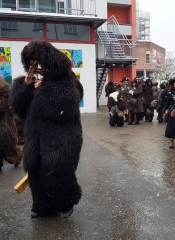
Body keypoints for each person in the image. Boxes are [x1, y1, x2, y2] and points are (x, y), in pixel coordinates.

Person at [9, 40, 84, 218]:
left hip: (62, 137)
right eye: (33, 64)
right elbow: (19, 110)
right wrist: (26, 86)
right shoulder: (31, 82)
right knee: (34, 168)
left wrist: (42, 90)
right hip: (36, 138)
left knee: (57, 167)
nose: (37, 68)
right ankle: (42, 206)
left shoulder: (68, 82)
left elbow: (64, 108)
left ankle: (65, 202)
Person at [0, 77, 22, 170]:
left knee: (8, 147)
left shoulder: (5, 93)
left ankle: (18, 158)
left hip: (5, 126)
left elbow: (3, 107)